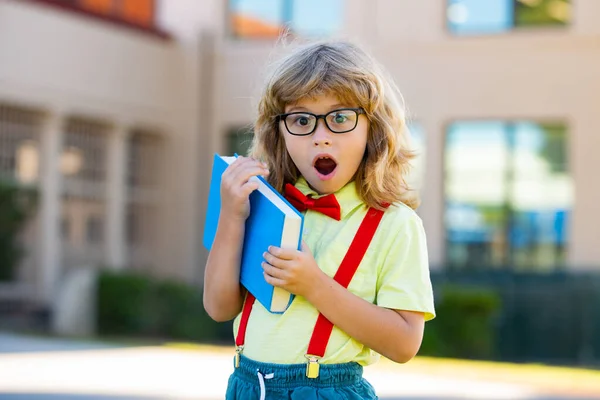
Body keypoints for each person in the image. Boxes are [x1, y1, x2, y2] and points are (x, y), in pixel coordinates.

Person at [203, 40, 436, 400]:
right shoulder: (262, 205)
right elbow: (219, 308)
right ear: (277, 130)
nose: (320, 138)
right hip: (246, 387)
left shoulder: (394, 224)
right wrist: (232, 218)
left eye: (340, 117)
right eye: (301, 120)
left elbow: (405, 343)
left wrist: (314, 285)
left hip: (327, 390)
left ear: (372, 127)